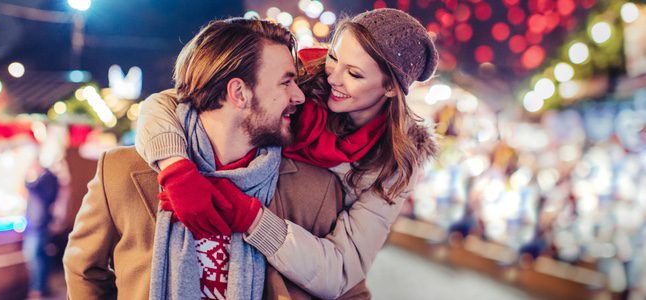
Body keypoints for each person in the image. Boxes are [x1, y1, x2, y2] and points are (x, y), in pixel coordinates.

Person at [137, 8, 439, 298]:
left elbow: (343, 271)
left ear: (389, 88)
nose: (333, 78)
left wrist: (252, 218)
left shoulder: (394, 163)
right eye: (333, 57)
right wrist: (176, 169)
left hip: (290, 264)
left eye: (355, 74)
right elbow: (174, 103)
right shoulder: (302, 83)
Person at [63, 17, 369, 300]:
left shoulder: (316, 190)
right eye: (285, 82)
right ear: (239, 92)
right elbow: (83, 270)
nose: (298, 96)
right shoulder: (120, 172)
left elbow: (349, 292)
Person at [23, 156, 60, 299]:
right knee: (41, 256)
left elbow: (32, 188)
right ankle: (41, 288)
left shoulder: (47, 179)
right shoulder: (48, 178)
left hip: (39, 223)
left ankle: (37, 290)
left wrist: (29, 178)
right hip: (38, 223)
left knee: (35, 256)